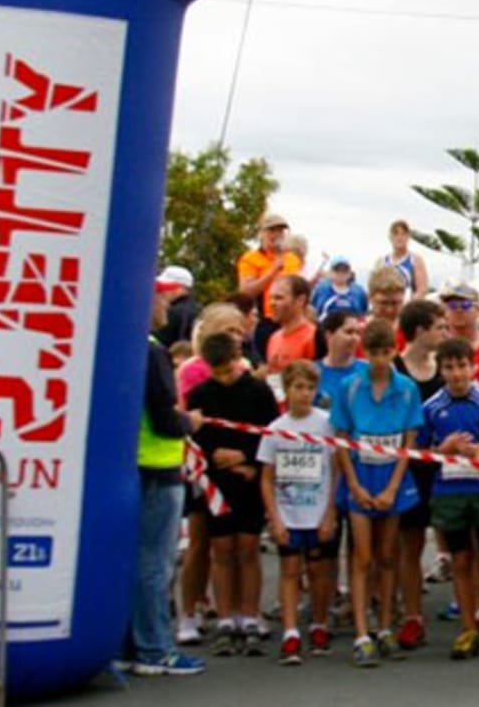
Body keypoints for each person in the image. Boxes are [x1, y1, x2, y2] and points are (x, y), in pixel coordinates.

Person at [330, 319, 423, 667]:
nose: (380, 360)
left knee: (387, 556)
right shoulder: (349, 387)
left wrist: (393, 487)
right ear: (364, 353)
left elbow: (409, 441)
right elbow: (340, 437)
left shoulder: (407, 388)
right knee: (362, 556)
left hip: (392, 475)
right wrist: (353, 484)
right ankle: (360, 633)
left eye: (386, 353)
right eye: (373, 353)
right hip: (359, 472)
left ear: (394, 351)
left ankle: (384, 626)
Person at [186, 330, 279, 658]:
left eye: (230, 369)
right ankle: (226, 618)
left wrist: (247, 459)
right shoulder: (199, 395)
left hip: (249, 480)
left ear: (239, 359)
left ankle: (250, 614)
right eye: (218, 372)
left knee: (248, 546)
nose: (225, 377)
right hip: (215, 482)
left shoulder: (258, 391)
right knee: (221, 549)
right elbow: (196, 441)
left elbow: (269, 434)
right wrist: (214, 458)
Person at [131, 287, 207, 677]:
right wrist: (188, 422)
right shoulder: (152, 350)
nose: (168, 306)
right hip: (159, 467)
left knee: (141, 560)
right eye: (162, 299)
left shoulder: (128, 344)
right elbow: (164, 415)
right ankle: (154, 648)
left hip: (137, 465)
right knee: (155, 564)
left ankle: (133, 644)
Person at [257, 361, 340, 666]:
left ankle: (319, 623)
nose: (304, 394)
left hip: (318, 512)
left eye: (310, 388)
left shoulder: (326, 424)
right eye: (298, 388)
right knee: (290, 571)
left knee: (320, 572)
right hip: (289, 513)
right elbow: (267, 477)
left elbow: (336, 470)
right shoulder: (276, 429)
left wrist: (330, 513)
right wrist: (274, 517)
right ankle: (290, 631)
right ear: (287, 390)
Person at [420, 337, 479, 661]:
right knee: (461, 561)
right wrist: (444, 449)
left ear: (474, 367)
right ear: (441, 371)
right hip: (450, 492)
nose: (457, 374)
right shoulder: (432, 407)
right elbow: (420, 453)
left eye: (463, 366)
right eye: (449, 368)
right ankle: (468, 626)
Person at [393, 298, 448, 651]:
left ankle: (474, 613)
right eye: (438, 326)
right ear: (419, 331)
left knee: (462, 546)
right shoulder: (397, 370)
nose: (445, 331)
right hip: (409, 471)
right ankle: (412, 614)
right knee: (409, 546)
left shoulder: (445, 368)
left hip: (445, 473)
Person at [236, 211, 302, 361]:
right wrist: (273, 271)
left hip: (290, 320)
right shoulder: (250, 259)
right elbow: (245, 292)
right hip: (264, 321)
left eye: (280, 230)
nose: (276, 234)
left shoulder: (292, 259)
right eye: (272, 230)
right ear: (261, 233)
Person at [443, 282, 479, 391]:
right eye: (452, 305)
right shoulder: (438, 348)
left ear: (478, 309)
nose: (458, 310)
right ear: (445, 311)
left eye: (465, 305)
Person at [315, 310, 364, 411]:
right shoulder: (312, 372)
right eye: (349, 332)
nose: (355, 338)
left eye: (358, 333)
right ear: (329, 335)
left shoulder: (369, 371)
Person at [378, 219, 430, 299]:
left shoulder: (416, 260)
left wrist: (408, 304)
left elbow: (422, 289)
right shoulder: (382, 261)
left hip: (408, 305)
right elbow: (376, 287)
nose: (400, 237)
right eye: (396, 234)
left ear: (408, 237)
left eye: (403, 234)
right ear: (390, 237)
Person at [154, 265, 200, 348]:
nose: (163, 290)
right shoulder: (199, 309)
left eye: (167, 286)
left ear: (181, 288)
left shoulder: (172, 312)